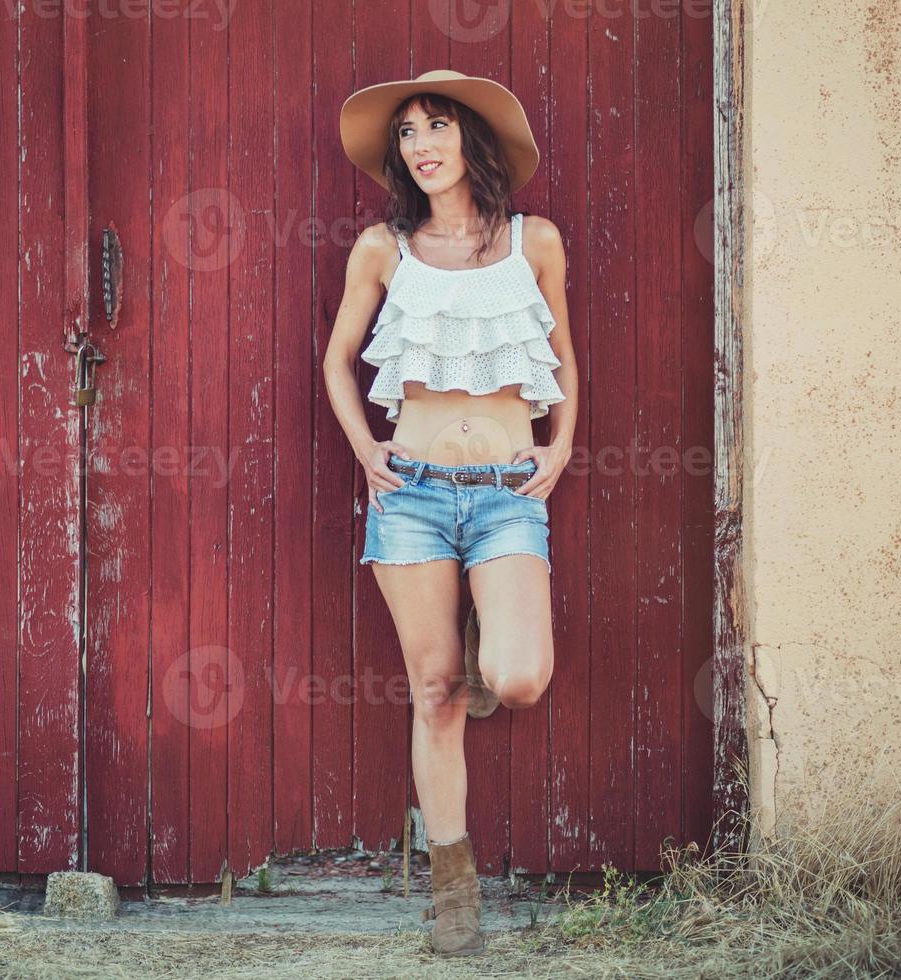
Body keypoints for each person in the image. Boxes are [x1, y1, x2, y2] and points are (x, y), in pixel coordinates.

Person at [323, 69, 579, 957]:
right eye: (406, 132)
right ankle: (453, 890)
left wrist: (561, 445)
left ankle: (484, 635)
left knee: (514, 678)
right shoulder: (381, 250)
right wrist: (366, 449)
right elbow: (337, 361)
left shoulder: (532, 242)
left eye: (436, 125)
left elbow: (563, 358)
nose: (421, 144)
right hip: (414, 500)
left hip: (507, 496)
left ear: (472, 140)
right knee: (433, 693)